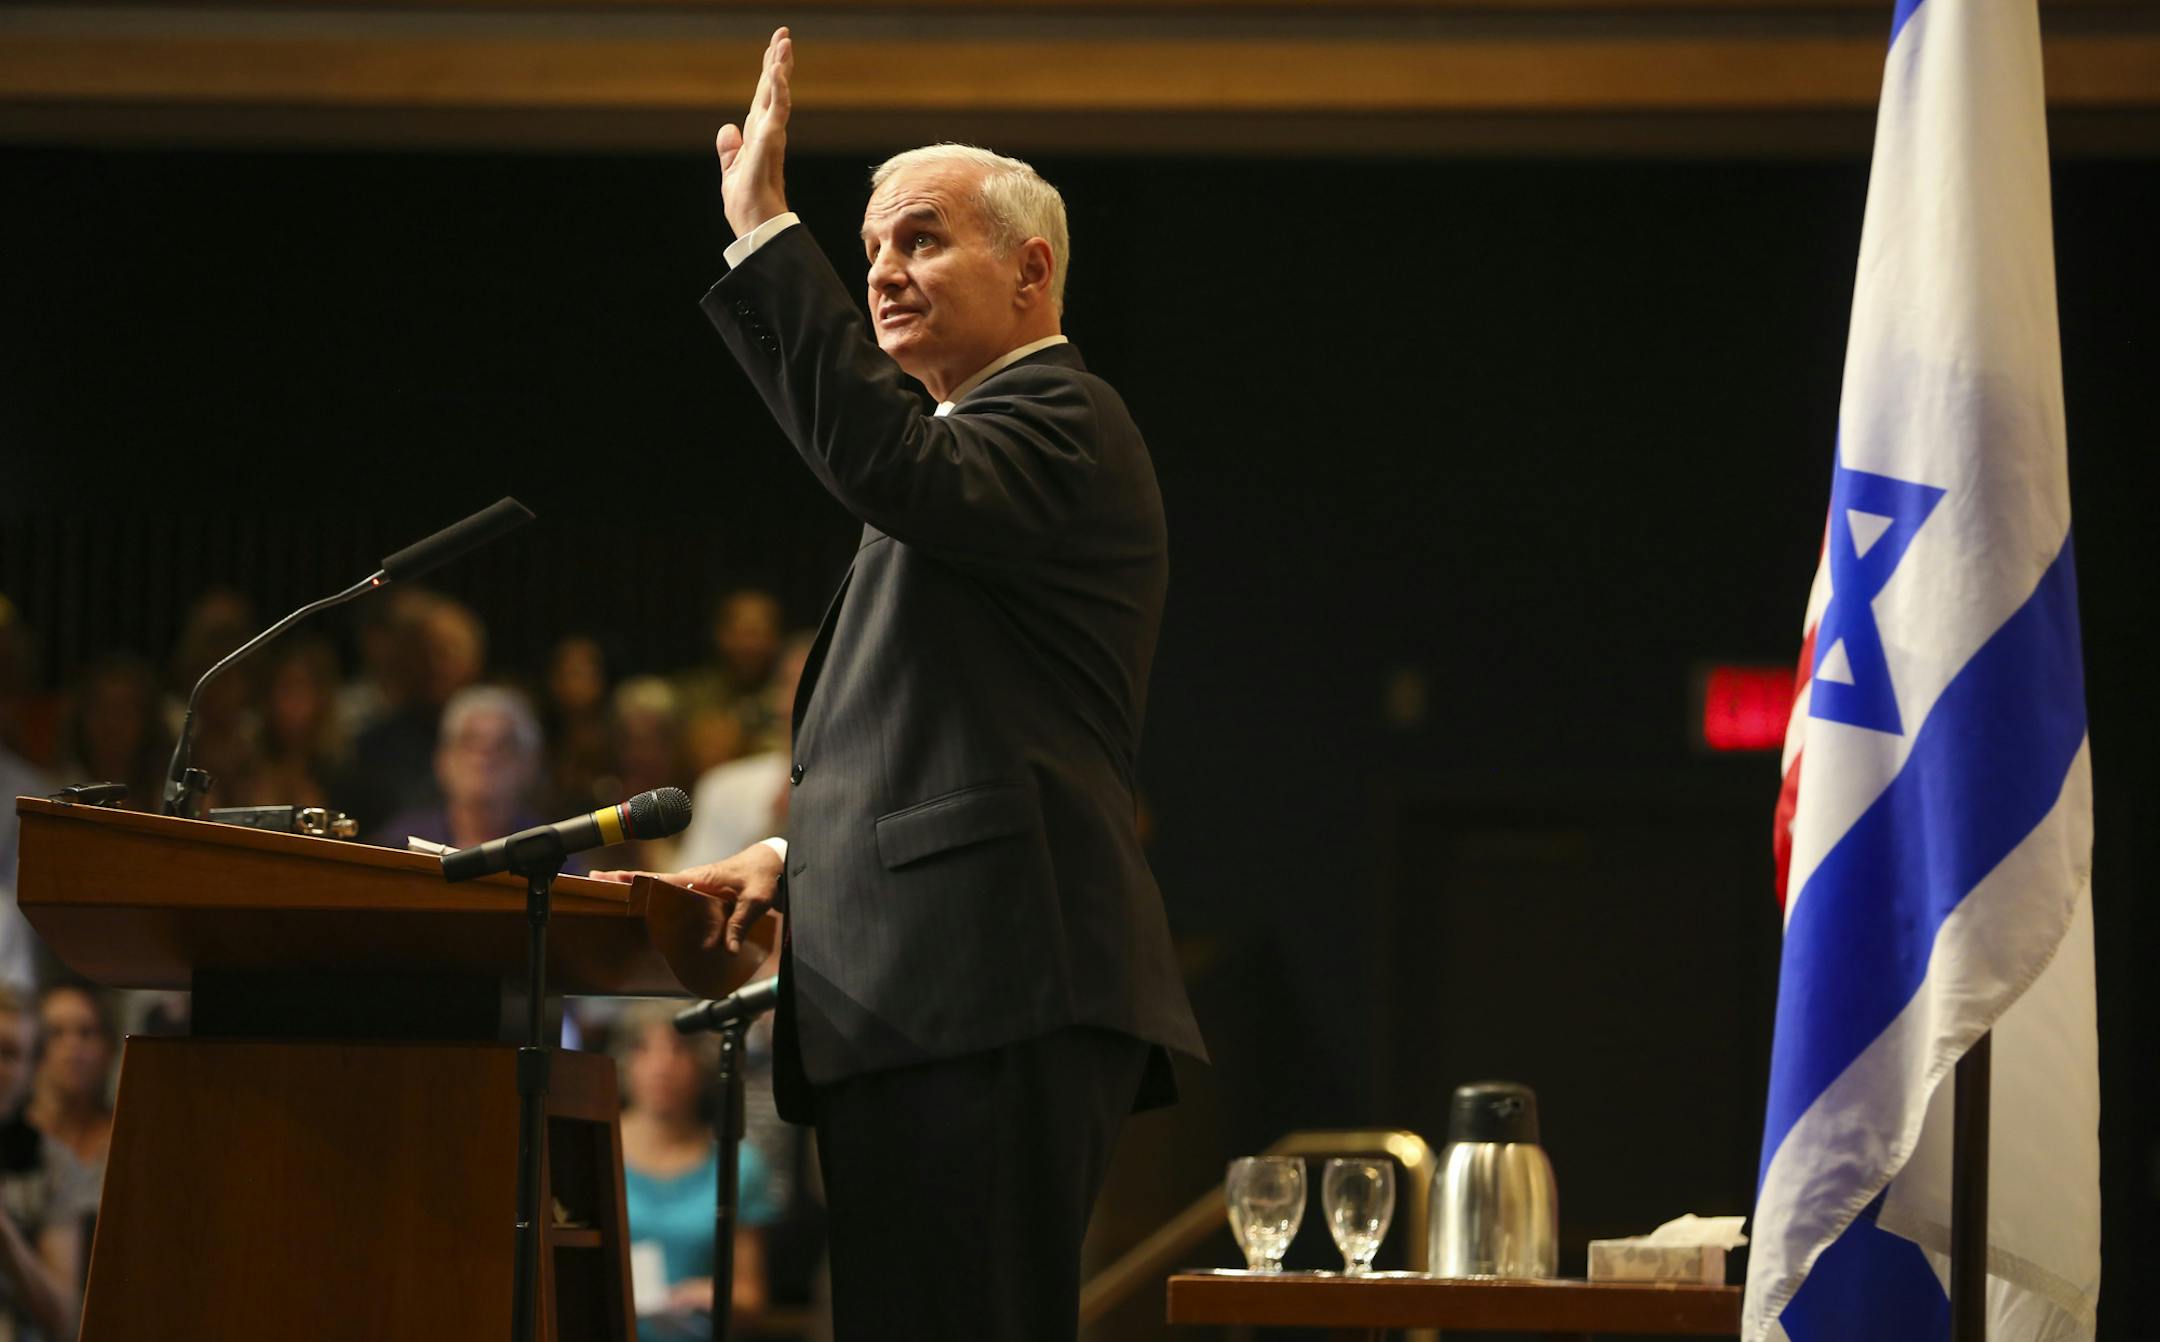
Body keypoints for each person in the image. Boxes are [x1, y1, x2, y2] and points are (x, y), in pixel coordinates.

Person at [595, 29, 1205, 1339]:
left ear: (1032, 269)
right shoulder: (964, 456)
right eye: (869, 248)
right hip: (925, 987)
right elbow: (944, 726)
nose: (882, 271)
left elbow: (881, 463)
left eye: (919, 239)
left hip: (991, 982)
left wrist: (765, 231)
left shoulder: (1060, 423)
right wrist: (788, 856)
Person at [616, 1002, 774, 1341]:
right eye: (644, 1048)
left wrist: (710, 1294)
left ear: (702, 1063)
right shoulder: (592, 1148)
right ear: (624, 1061)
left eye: (678, 1049)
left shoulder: (739, 1164)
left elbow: (753, 1297)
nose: (662, 1066)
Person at [373, 686, 576, 869]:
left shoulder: (551, 852)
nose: (484, 756)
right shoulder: (400, 843)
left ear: (529, 764)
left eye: (502, 746)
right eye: (470, 741)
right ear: (443, 760)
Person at [0, 987, 93, 1342]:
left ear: (32, 1068)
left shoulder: (52, 1164)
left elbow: (64, 1321)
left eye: (9, 1054)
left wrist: (5, 1233)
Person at [24, 984, 114, 1183]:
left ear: (109, 1050)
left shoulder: (127, 1138)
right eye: (55, 1033)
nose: (73, 1047)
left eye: (87, 1032)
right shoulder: (11, 1140)